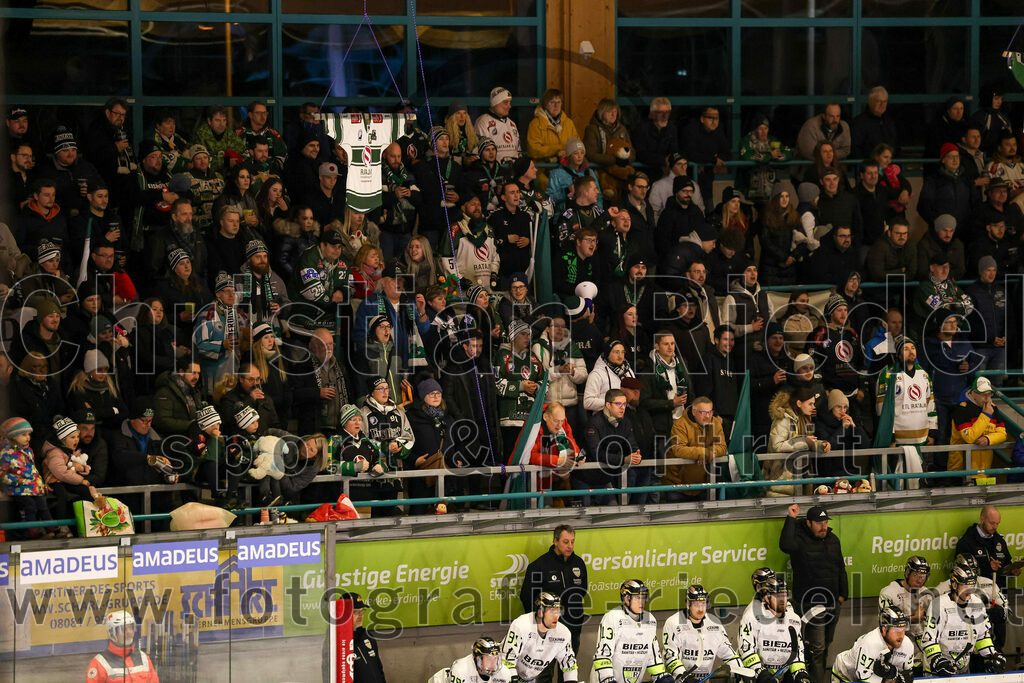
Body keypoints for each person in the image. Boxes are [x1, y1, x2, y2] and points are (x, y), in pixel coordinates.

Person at [779, 503, 848, 683]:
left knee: (825, 646)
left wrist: (843, 595)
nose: (823, 526)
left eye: (825, 522)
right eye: (819, 522)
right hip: (809, 603)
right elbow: (785, 545)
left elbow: (840, 568)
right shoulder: (799, 539)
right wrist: (791, 518)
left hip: (833, 602)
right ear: (808, 523)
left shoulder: (833, 539)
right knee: (817, 648)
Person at [520, 525, 588, 668]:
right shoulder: (539, 566)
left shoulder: (579, 564)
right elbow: (527, 596)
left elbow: (582, 591)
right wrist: (539, 623)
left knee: (569, 667)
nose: (570, 546)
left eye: (572, 541)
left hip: (573, 626)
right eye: (565, 541)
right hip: (547, 628)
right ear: (555, 541)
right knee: (544, 670)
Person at [919, 565, 1004, 676]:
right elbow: (928, 639)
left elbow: (982, 636)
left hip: (962, 670)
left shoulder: (977, 603)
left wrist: (992, 655)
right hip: (937, 670)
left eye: (972, 585)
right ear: (954, 585)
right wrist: (937, 660)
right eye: (965, 586)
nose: (970, 590)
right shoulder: (939, 604)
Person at [591, 580, 670, 683]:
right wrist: (608, 679)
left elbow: (652, 657)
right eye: (637, 598)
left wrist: (661, 676)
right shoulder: (612, 617)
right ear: (626, 598)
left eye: (643, 597)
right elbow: (603, 655)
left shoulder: (650, 620)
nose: (641, 602)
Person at [738, 576, 810, 683]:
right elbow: (746, 650)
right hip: (754, 675)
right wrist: (760, 672)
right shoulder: (752, 616)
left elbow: (797, 652)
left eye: (784, 595)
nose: (782, 600)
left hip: (780, 676)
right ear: (767, 598)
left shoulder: (794, 619)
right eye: (777, 596)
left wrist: (800, 672)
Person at [662, 584, 742, 681]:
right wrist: (685, 677)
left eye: (703, 604)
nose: (701, 609)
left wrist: (740, 671)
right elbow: (670, 656)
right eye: (696, 604)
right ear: (688, 605)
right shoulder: (673, 623)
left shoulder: (714, 623)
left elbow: (729, 654)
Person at [500, 592, 579, 682]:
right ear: (540, 612)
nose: (557, 616)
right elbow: (507, 661)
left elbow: (569, 665)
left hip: (529, 679)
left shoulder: (563, 633)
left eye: (559, 611)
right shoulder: (521, 625)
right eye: (552, 611)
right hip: (503, 675)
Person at [664, 395, 726, 501]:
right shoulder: (680, 425)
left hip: (703, 485)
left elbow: (722, 447)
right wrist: (703, 453)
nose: (707, 416)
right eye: (703, 412)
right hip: (677, 486)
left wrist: (710, 453)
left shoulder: (715, 423)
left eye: (710, 412)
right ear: (694, 412)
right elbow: (678, 449)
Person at [0, 417, 53, 539]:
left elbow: (33, 469)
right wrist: (17, 481)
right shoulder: (6, 454)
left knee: (43, 506)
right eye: (23, 434)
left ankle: (52, 530)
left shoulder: (28, 451)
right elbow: (2, 474)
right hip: (18, 489)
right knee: (30, 507)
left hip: (33, 487)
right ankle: (33, 532)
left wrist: (41, 483)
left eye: (28, 434)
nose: (28, 438)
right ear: (13, 436)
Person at [831, 607, 915, 683]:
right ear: (884, 630)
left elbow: (907, 674)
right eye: (896, 630)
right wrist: (891, 681)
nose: (901, 635)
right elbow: (863, 677)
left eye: (903, 629)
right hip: (845, 674)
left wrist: (898, 676)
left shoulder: (907, 645)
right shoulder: (869, 643)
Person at [878, 556, 931, 663]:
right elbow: (885, 624)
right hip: (897, 649)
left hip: (921, 650)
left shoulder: (927, 595)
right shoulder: (888, 593)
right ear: (907, 573)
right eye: (916, 575)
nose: (920, 580)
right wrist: (912, 619)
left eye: (923, 576)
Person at [86, 610, 159, 682]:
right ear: (112, 633)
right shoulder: (99, 663)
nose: (129, 632)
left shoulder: (144, 658)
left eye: (131, 628)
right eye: (123, 629)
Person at [631, 97, 678, 174]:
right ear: (652, 114)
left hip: (666, 171)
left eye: (667, 112)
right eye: (661, 112)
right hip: (643, 172)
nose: (664, 116)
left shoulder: (671, 129)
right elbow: (640, 153)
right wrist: (663, 160)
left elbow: (674, 150)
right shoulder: (641, 129)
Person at [431, 637, 508, 683]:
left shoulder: (504, 673)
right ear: (478, 659)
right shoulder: (461, 670)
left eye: (495, 658)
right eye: (488, 659)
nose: (493, 663)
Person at [475, 86, 520, 163]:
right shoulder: (483, 121)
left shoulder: (512, 124)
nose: (510, 106)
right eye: (506, 102)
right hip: (495, 172)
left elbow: (519, 151)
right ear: (495, 104)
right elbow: (481, 152)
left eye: (510, 102)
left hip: (513, 171)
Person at [852, 87, 899, 158]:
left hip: (889, 165)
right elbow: (856, 148)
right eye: (879, 101)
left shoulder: (889, 122)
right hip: (870, 166)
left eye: (885, 101)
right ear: (870, 101)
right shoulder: (859, 123)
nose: (882, 105)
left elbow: (896, 145)